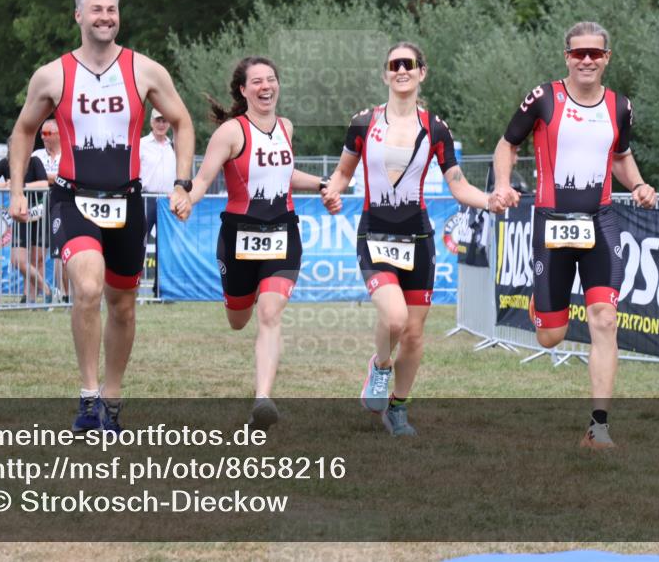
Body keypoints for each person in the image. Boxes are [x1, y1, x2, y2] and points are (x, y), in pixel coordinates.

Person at [8, 0, 195, 433]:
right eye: (96, 10)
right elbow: (22, 131)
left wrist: (183, 182)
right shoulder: (52, 75)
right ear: (78, 16)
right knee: (88, 289)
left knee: (123, 306)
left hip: (127, 202)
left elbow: (183, 121)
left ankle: (112, 395)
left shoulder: (145, 70)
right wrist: (15, 189)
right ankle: (88, 397)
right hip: (73, 198)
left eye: (111, 10)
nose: (105, 18)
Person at [492, 21, 657, 450]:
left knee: (604, 319)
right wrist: (503, 185)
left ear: (607, 58)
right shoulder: (543, 98)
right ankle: (540, 305)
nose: (587, 60)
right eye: (578, 53)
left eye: (595, 54)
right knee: (552, 336)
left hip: (601, 222)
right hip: (552, 222)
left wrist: (638, 185)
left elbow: (620, 156)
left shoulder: (621, 107)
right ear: (566, 56)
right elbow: (506, 144)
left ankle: (598, 426)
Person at [322, 42, 499, 437]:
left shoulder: (435, 127)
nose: (402, 70)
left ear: (423, 72)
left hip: (418, 238)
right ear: (385, 74)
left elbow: (458, 185)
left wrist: (490, 200)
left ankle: (398, 408)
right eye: (394, 64)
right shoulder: (364, 123)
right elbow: (342, 174)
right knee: (395, 318)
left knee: (415, 334)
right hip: (375, 233)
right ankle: (380, 367)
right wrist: (333, 191)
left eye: (410, 64)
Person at [189, 57, 340, 429]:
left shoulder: (285, 127)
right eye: (257, 81)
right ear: (243, 90)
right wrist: (185, 198)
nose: (265, 86)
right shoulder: (230, 133)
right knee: (239, 320)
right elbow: (203, 180)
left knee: (270, 314)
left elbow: (284, 175)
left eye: (271, 79)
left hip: (283, 233)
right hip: (238, 236)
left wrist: (324, 184)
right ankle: (242, 300)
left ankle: (263, 400)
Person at [0, 138, 51, 303]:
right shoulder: (5, 164)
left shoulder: (35, 161)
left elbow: (44, 183)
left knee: (38, 259)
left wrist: (20, 186)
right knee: (18, 260)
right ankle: (48, 290)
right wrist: (3, 186)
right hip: (19, 214)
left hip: (39, 213)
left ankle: (30, 298)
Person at [139, 108, 176, 297]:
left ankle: (161, 289)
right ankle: (132, 286)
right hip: (147, 198)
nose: (161, 124)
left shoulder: (173, 146)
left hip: (168, 200)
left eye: (164, 120)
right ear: (151, 122)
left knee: (166, 246)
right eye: (158, 120)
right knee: (139, 242)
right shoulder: (142, 144)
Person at [32, 118, 67, 300]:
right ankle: (43, 293)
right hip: (38, 208)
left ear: (59, 134)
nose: (44, 137)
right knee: (38, 254)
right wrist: (50, 179)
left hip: (61, 206)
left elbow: (65, 178)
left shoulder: (68, 154)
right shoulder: (37, 155)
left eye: (48, 134)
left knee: (61, 254)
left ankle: (63, 292)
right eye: (42, 134)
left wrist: (44, 178)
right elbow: (31, 178)